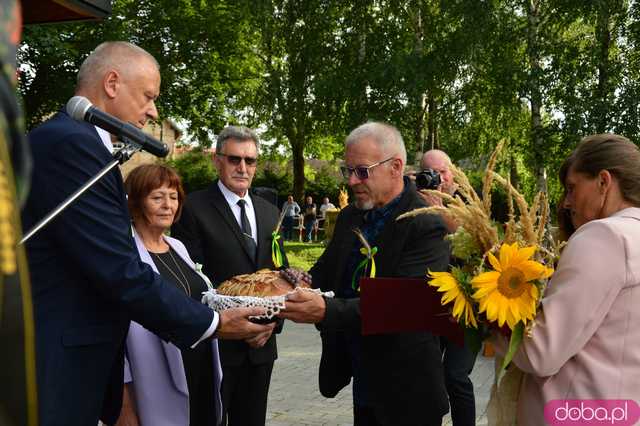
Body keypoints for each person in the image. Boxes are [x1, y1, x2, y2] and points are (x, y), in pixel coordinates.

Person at [21, 42, 269, 426]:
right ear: (113, 83)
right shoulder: (75, 145)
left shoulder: (72, 140)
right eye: (149, 96)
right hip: (58, 360)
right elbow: (119, 271)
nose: (153, 111)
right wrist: (214, 324)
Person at [279, 122, 451, 425]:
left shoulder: (426, 222)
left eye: (362, 171)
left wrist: (325, 310)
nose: (352, 181)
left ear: (396, 167)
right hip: (364, 380)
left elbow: (404, 304)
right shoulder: (350, 216)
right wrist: (301, 279)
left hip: (407, 391)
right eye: (348, 171)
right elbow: (327, 271)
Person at [492, 134, 640, 425]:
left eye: (572, 188)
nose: (567, 201)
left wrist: (488, 312)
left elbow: (541, 353)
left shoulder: (605, 236)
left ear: (604, 181)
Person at [172, 125, 289, 426]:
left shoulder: (268, 211)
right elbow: (190, 280)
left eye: (250, 161)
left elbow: (280, 276)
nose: (243, 167)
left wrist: (273, 324)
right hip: (215, 346)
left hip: (261, 347)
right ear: (217, 160)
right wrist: (227, 325)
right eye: (235, 159)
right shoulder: (193, 208)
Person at [116, 164, 246, 425]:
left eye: (173, 197)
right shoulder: (125, 256)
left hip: (201, 370)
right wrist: (123, 404)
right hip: (154, 378)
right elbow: (115, 339)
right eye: (157, 197)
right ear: (136, 203)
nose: (168, 205)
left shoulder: (177, 246)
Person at [420, 150, 476, 426]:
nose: (438, 179)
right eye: (431, 173)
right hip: (430, 304)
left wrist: (440, 209)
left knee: (455, 375)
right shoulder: (414, 204)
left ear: (453, 172)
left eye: (443, 172)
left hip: (466, 304)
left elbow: (474, 248)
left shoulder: (470, 204)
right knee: (428, 377)